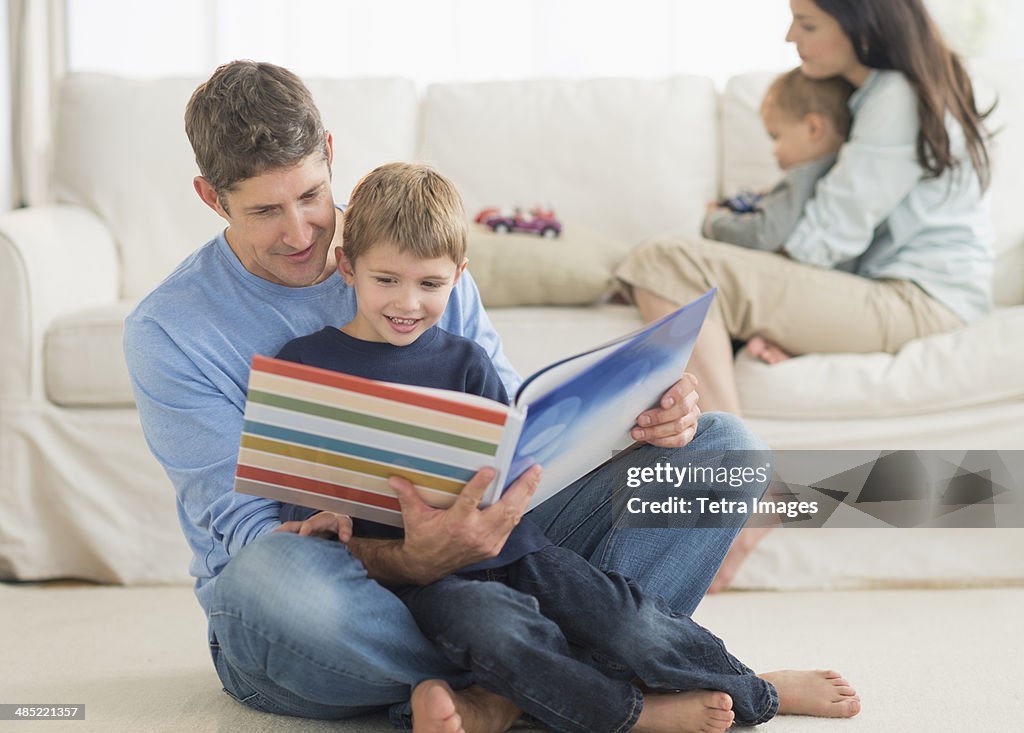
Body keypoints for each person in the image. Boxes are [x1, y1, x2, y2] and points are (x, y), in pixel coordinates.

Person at [122, 60, 858, 731]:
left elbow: (509, 434)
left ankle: (500, 695)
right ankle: (587, 680)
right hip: (343, 586)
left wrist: (638, 425)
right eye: (263, 211)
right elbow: (247, 530)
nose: (302, 231)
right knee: (271, 584)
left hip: (489, 566)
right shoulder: (170, 330)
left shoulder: (412, 257)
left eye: (312, 195)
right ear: (210, 198)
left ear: (331, 154)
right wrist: (409, 557)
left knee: (723, 451)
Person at [276, 161, 791, 732]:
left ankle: (755, 689)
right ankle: (634, 713)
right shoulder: (303, 366)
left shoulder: (465, 361)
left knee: (625, 619)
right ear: (347, 267)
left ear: (459, 276)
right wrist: (320, 520)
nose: (408, 303)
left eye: (430, 284)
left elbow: (513, 462)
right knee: (494, 628)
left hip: (520, 549)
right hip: (427, 577)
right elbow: (301, 508)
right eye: (386, 280)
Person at [615, 0, 995, 591]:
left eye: (809, 24)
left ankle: (743, 477)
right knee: (679, 268)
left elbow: (830, 235)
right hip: (904, 292)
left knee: (664, 260)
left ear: (865, 25)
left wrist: (766, 296)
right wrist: (783, 314)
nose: (791, 35)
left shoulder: (893, 95)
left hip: (915, 299)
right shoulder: (889, 91)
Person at [702, 67, 854, 253]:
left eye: (776, 137)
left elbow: (761, 234)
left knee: (669, 250)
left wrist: (714, 220)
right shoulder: (844, 172)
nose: (774, 151)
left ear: (813, 129)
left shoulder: (803, 177)